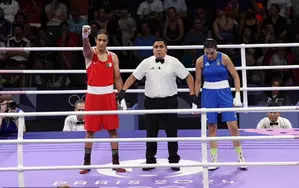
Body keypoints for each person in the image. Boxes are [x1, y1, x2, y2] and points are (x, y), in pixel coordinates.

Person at [117, 39, 195, 171]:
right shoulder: (146, 62)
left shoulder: (174, 62)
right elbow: (133, 77)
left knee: (172, 133)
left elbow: (188, 76)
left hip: (169, 102)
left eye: (161, 46)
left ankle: (174, 160)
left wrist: (192, 94)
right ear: (153, 49)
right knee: (151, 133)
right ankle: (150, 160)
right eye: (156, 47)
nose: (158, 49)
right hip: (151, 102)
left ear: (166, 49)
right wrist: (123, 91)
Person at [194, 38, 247, 170]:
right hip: (208, 94)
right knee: (211, 126)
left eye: (211, 53)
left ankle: (240, 157)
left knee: (233, 126)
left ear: (216, 50)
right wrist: (195, 100)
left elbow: (235, 76)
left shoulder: (225, 58)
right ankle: (214, 159)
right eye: (207, 53)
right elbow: (198, 81)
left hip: (224, 92)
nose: (209, 56)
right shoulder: (200, 61)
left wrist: (238, 94)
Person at [80, 25, 127, 174]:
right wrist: (84, 37)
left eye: (104, 40)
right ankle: (86, 163)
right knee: (90, 131)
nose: (101, 42)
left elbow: (117, 77)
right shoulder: (90, 54)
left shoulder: (113, 56)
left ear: (107, 42)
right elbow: (86, 48)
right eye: (99, 40)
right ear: (95, 40)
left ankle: (116, 162)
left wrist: (122, 95)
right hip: (93, 97)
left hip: (108, 96)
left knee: (113, 130)